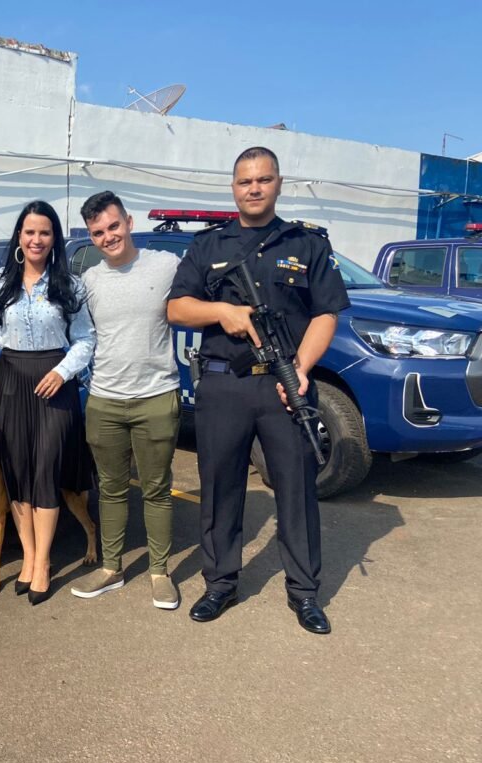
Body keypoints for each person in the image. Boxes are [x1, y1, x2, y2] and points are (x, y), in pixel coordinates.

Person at [167, 147, 350, 634]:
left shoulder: (307, 244)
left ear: (278, 183)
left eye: (263, 179)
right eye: (246, 181)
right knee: (220, 489)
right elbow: (177, 308)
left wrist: (302, 370)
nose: (254, 188)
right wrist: (221, 313)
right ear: (234, 187)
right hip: (224, 385)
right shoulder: (209, 246)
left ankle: (305, 592)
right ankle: (220, 583)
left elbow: (326, 313)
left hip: (285, 386)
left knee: (296, 490)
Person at [70, 191, 183, 609]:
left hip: (156, 396)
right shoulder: (89, 282)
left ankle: (159, 572)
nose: (108, 236)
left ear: (129, 222)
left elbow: (200, 302)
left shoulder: (166, 266)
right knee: (112, 489)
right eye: (98, 232)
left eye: (113, 226)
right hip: (105, 400)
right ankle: (111, 567)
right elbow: (80, 336)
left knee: (156, 489)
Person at [0, 200, 95, 605]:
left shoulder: (71, 285)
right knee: (18, 471)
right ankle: (28, 558)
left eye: (45, 232)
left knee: (46, 471)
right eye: (30, 232)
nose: (36, 239)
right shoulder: (0, 280)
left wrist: (62, 371)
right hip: (11, 381)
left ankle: (45, 562)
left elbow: (86, 339)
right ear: (20, 236)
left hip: (55, 382)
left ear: (55, 239)